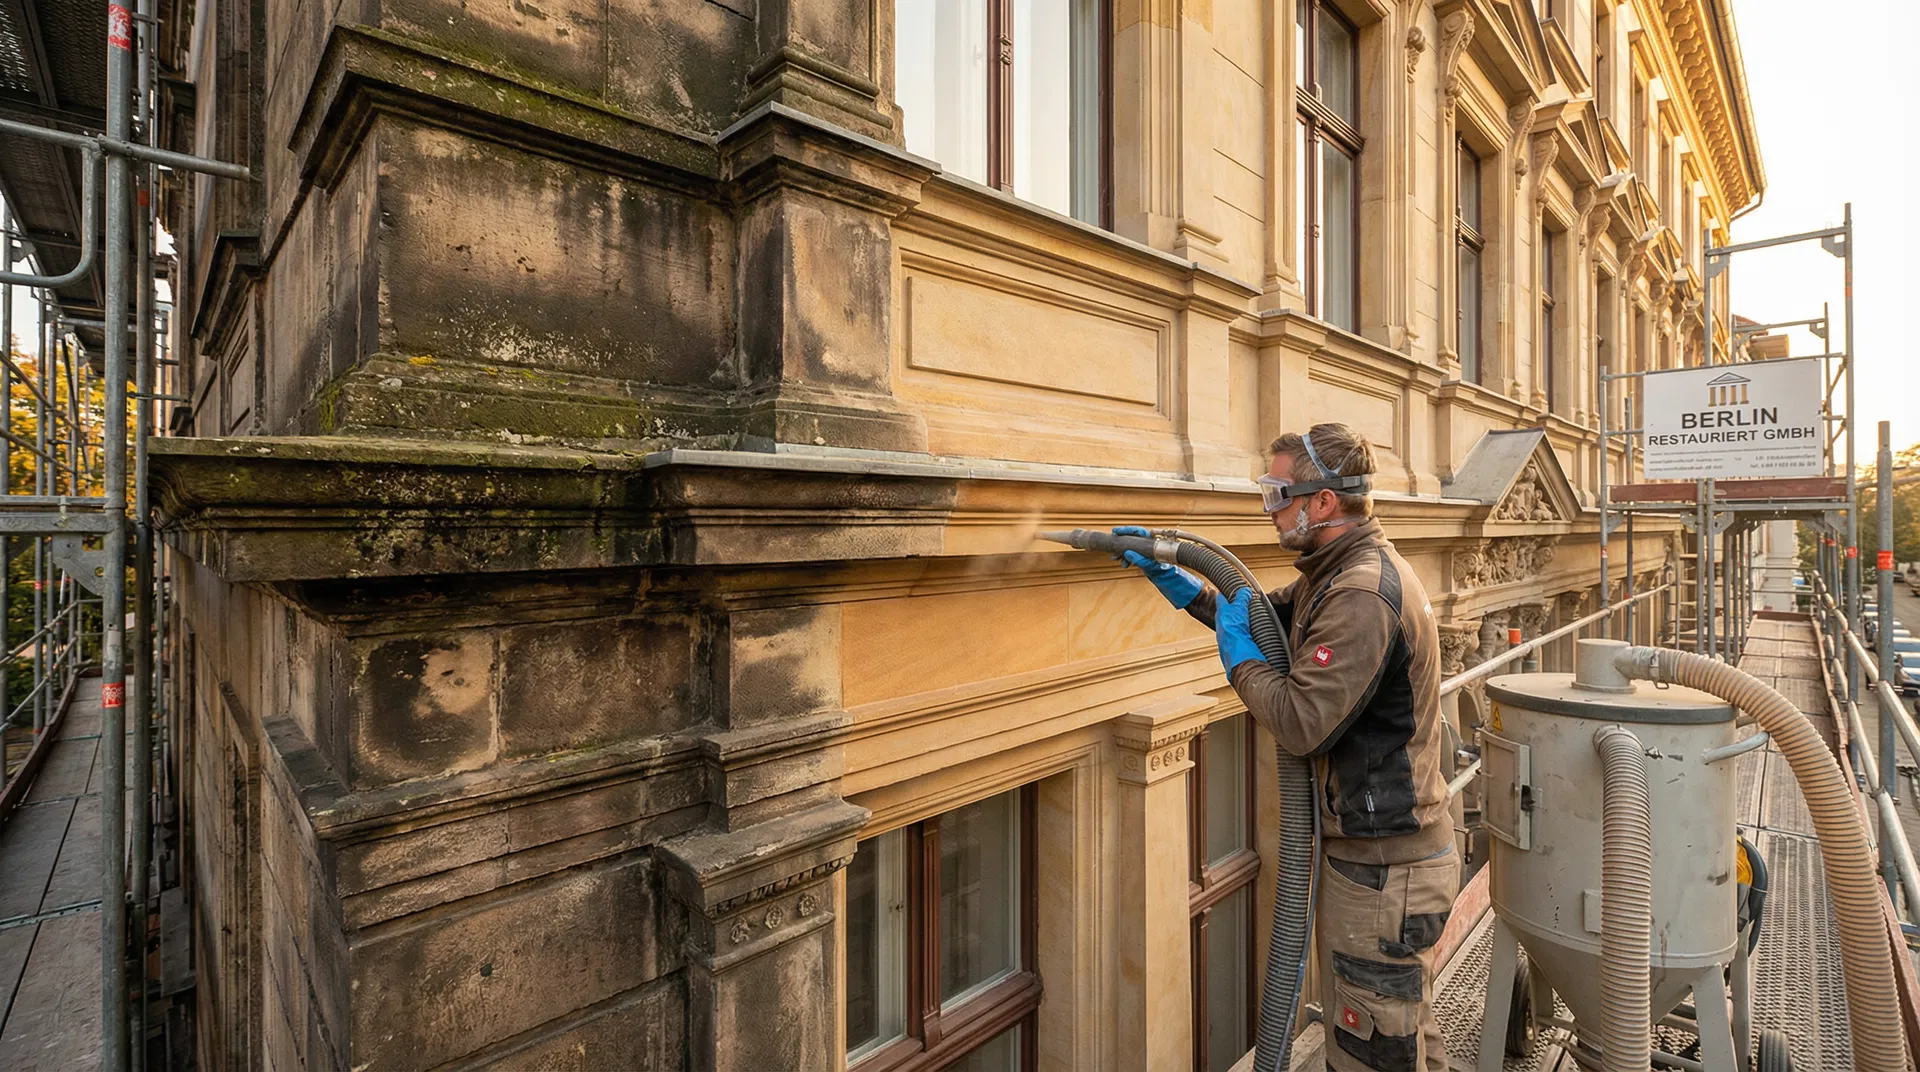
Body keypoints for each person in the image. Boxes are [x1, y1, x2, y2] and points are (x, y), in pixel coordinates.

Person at [1120, 422, 1456, 1072]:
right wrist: (1193, 594)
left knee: (1369, 1052)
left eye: (1276, 494)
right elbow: (1262, 620)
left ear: (1322, 502)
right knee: (1403, 1040)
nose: (1268, 511)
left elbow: (1302, 723)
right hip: (1384, 865)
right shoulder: (1334, 576)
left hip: (1386, 877)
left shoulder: (1360, 593)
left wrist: (1240, 665)